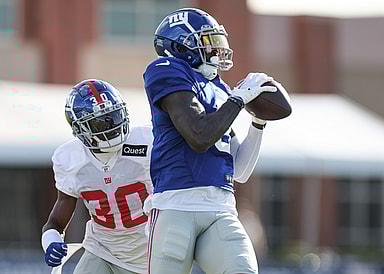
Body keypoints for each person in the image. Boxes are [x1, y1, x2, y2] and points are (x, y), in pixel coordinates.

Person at [143, 8, 282, 274]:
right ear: (181, 44)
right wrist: (238, 101)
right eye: (208, 41)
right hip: (176, 206)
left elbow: (239, 171)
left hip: (220, 208)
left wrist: (258, 121)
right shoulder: (166, 70)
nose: (217, 50)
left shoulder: (220, 88)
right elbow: (199, 136)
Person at [41, 79, 153, 274]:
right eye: (100, 122)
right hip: (102, 250)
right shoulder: (70, 159)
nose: (111, 125)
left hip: (149, 251)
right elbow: (55, 222)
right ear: (80, 129)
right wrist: (51, 241)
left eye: (113, 116)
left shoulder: (147, 142)